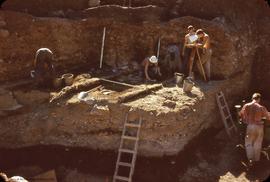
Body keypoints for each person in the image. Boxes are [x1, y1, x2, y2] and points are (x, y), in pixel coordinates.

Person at [240, 93, 270, 165]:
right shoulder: (261, 107)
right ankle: (256, 159)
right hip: (259, 127)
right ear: (259, 99)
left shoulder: (246, 106)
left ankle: (250, 159)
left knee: (249, 143)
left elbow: (241, 114)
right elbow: (268, 117)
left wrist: (246, 120)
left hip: (250, 126)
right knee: (257, 143)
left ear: (252, 98)